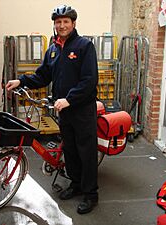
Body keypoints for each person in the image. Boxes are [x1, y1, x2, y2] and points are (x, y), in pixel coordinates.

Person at [6, 5, 99, 214]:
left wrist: (69, 99)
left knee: (86, 152)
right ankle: (75, 185)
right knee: (70, 150)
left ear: (73, 24)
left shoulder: (84, 46)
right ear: (55, 25)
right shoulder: (54, 49)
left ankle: (91, 194)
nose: (62, 25)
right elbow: (42, 76)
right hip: (63, 110)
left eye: (66, 21)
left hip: (82, 110)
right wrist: (20, 81)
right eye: (58, 22)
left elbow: (90, 80)